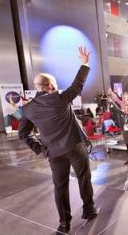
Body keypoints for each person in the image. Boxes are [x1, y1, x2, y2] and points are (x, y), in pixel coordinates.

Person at [18, 47, 97, 234]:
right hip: (75, 147)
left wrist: (40, 149)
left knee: (60, 187)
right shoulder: (61, 99)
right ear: (51, 86)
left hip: (53, 153)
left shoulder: (28, 109)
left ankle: (64, 223)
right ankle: (88, 209)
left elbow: (23, 134)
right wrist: (85, 62)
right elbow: (78, 84)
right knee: (83, 179)